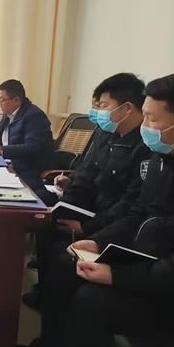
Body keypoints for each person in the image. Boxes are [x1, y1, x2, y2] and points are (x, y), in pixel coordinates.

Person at [13, 72, 174, 347]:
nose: (145, 126)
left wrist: (117, 275)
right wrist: (98, 241)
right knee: (68, 263)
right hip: (147, 261)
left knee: (93, 301)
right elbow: (138, 211)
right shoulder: (164, 158)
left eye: (152, 118)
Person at [26, 73, 151, 309]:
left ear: (127, 108)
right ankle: (45, 293)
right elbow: (87, 172)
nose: (98, 112)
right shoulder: (107, 134)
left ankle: (53, 306)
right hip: (89, 211)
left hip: (106, 224)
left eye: (103, 106)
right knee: (44, 221)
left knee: (62, 257)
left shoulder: (146, 148)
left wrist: (87, 228)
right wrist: (68, 201)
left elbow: (131, 204)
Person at [0, 79, 54, 190]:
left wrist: (2, 149)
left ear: (16, 100)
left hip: (26, 172)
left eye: (2, 100)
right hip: (9, 166)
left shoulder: (34, 115)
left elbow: (33, 147)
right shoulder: (9, 114)